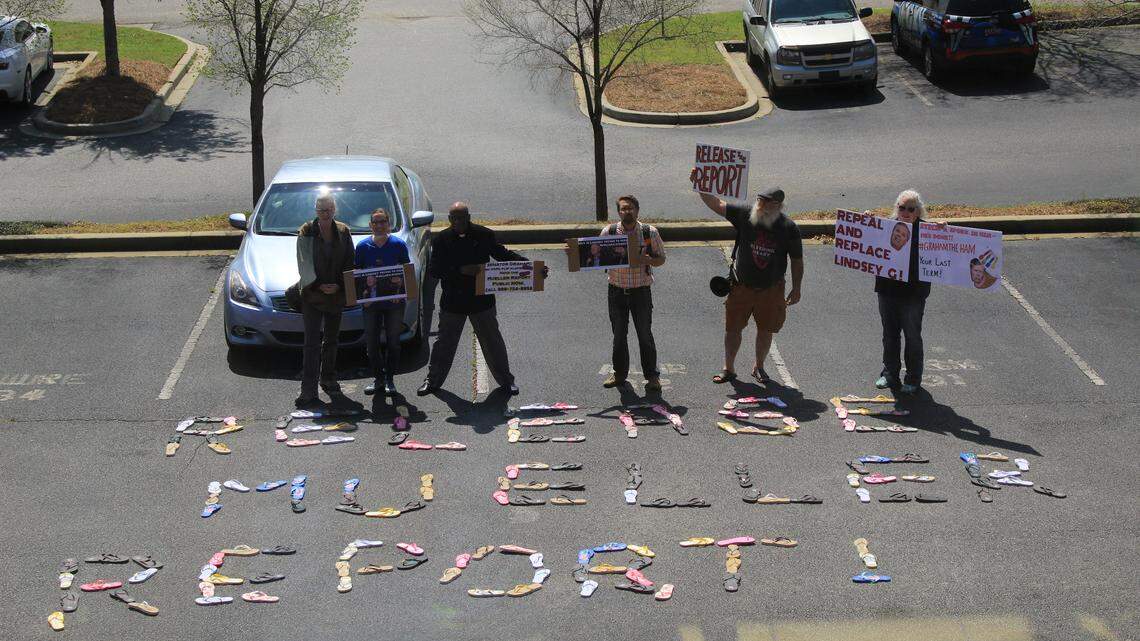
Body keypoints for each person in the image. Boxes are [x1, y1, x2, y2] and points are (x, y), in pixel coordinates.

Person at [418, 202, 546, 396]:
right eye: (455, 218)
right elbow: (436, 270)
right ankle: (433, 380)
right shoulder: (441, 239)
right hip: (453, 300)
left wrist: (532, 269)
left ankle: (506, 381)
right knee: (444, 343)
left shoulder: (483, 234)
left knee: (493, 341)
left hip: (481, 300)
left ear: (469, 217)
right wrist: (460, 270)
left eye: (463, 217)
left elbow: (502, 254)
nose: (459, 222)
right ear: (450, 220)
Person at [692, 170, 803, 385]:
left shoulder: (789, 228)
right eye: (759, 201)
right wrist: (701, 185)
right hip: (741, 286)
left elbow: (797, 260)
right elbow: (717, 204)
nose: (760, 206)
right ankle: (729, 368)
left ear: (778, 205)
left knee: (766, 328)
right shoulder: (745, 214)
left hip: (771, 289)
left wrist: (797, 287)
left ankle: (759, 367)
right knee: (732, 328)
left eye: (766, 203)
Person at [599, 195, 666, 390]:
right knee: (619, 335)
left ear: (637, 210)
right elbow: (592, 256)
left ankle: (652, 377)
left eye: (630, 208)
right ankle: (619, 374)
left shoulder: (649, 232)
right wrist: (575, 255)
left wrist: (648, 260)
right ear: (618, 212)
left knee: (644, 334)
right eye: (623, 209)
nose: (627, 211)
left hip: (641, 292)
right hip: (616, 291)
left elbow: (661, 259)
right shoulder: (609, 231)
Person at [295, 193, 355, 408]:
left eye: (329, 209)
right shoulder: (306, 230)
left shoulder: (343, 230)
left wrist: (340, 284)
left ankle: (328, 378)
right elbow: (303, 261)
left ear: (335, 209)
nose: (325, 213)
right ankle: (308, 390)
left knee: (331, 340)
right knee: (311, 343)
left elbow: (350, 260)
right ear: (315, 210)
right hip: (313, 293)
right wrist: (318, 285)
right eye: (321, 210)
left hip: (336, 293)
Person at [875, 190, 933, 394]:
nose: (906, 212)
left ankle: (913, 378)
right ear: (896, 208)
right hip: (887, 290)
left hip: (913, 294)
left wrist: (943, 231)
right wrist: (863, 223)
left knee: (912, 336)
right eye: (902, 207)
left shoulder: (928, 232)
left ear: (918, 212)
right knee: (889, 335)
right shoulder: (884, 226)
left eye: (911, 209)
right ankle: (889, 374)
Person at [354, 208, 411, 397]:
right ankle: (378, 378)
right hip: (371, 304)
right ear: (370, 225)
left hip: (394, 303)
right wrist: (362, 296)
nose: (379, 226)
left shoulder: (398, 245)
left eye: (383, 222)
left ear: (388, 224)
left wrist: (401, 291)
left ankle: (390, 380)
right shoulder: (362, 247)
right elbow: (357, 277)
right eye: (375, 222)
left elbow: (406, 273)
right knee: (371, 343)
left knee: (394, 342)